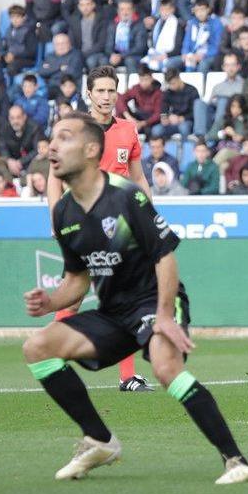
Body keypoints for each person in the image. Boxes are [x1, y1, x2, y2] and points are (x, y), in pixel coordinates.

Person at [22, 113, 248, 484]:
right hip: (113, 312)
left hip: (154, 301)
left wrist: (164, 316)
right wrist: (50, 302)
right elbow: (77, 281)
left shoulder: (125, 196)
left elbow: (165, 257)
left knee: (165, 367)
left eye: (64, 138)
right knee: (37, 347)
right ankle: (100, 440)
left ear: (90, 150)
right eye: (52, 138)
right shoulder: (64, 212)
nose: (52, 146)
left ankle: (236, 460)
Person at [47, 65, 154, 392]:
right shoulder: (74, 129)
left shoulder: (128, 131)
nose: (107, 97)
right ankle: (51, 352)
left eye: (112, 90)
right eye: (101, 91)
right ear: (89, 94)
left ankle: (125, 376)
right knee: (75, 295)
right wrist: (55, 215)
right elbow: (54, 176)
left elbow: (137, 177)